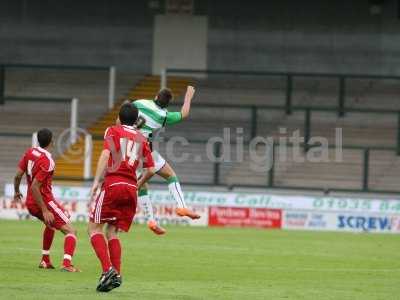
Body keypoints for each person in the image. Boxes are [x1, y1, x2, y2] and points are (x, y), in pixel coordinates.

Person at [88, 104, 155, 292]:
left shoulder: (113, 130)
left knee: (93, 228)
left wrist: (96, 181)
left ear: (119, 117)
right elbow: (151, 169)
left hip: (113, 184)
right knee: (112, 232)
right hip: (131, 189)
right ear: (135, 120)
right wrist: (137, 185)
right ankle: (115, 274)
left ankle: (107, 270)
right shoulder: (142, 138)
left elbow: (105, 154)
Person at [131, 86, 200, 235]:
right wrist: (188, 96)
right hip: (144, 150)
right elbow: (184, 113)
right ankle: (181, 206)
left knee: (143, 184)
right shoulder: (163, 115)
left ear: (156, 96)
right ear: (167, 104)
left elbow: (122, 117)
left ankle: (151, 220)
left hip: (128, 149)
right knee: (170, 175)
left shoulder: (139, 103)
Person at [13, 128, 79, 272]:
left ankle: (45, 260)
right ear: (51, 141)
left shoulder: (30, 152)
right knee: (71, 231)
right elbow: (36, 186)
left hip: (30, 202)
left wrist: (17, 191)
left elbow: (18, 176)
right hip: (44, 201)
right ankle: (67, 265)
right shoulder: (48, 160)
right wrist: (45, 209)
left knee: (50, 225)